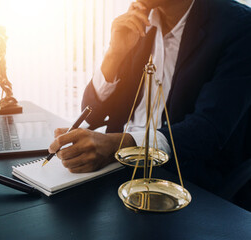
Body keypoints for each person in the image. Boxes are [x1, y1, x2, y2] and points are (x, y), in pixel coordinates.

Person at [48, 0, 251, 208]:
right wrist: (114, 54)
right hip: (116, 171)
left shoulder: (239, 26)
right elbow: (91, 115)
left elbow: (208, 129)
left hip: (181, 181)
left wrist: (117, 146)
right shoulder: (138, 22)